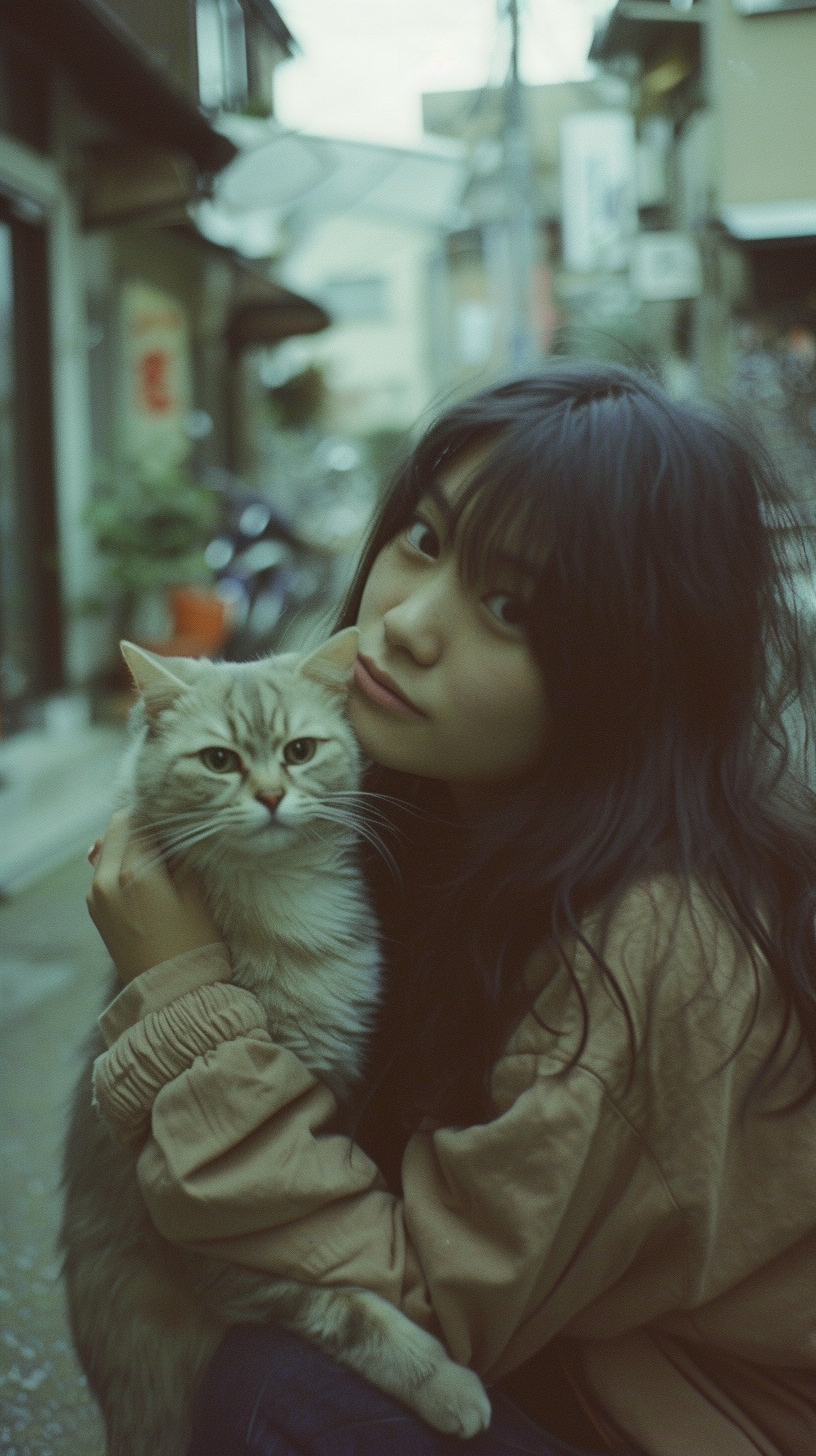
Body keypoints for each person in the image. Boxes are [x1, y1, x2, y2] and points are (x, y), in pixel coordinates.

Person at [86, 363, 816, 1456]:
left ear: (628, 672)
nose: (411, 623)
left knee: (274, 1385)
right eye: (425, 538)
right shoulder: (427, 804)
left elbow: (422, 1315)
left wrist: (184, 998)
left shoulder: (659, 939)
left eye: (512, 605)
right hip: (565, 1356)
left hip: (679, 1419)